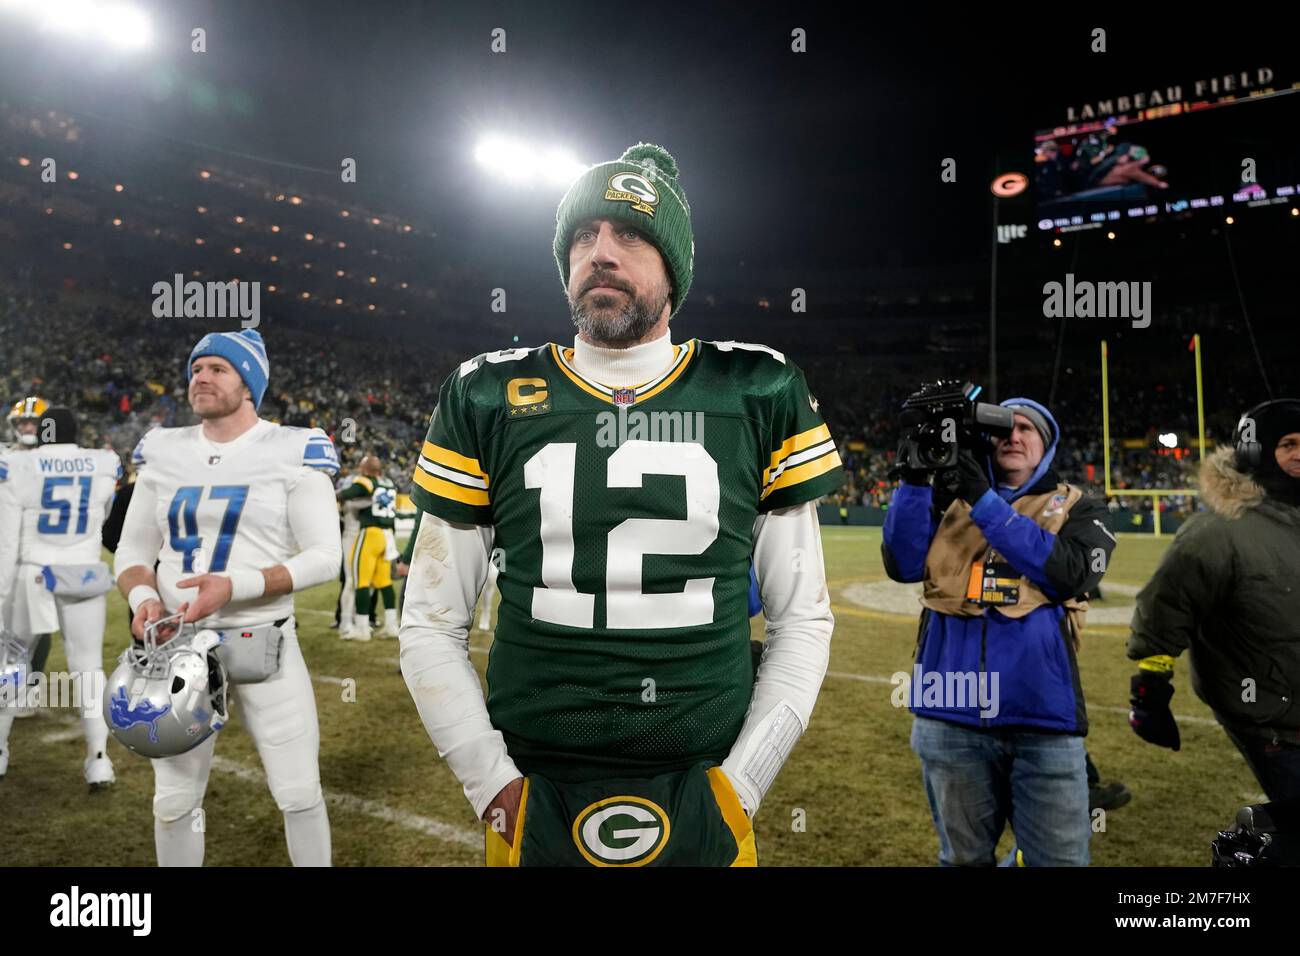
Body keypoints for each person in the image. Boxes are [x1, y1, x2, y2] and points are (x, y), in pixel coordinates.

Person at [400, 143, 842, 866]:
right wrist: (492, 785)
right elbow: (430, 620)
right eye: (582, 235)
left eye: (630, 234)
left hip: (705, 777)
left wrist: (744, 787)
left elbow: (802, 618)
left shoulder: (756, 388)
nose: (600, 251)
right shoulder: (486, 392)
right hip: (536, 782)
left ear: (675, 268)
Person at [113, 329, 342, 866]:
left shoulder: (292, 447)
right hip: (176, 646)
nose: (201, 377)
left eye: (218, 368)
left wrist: (233, 586)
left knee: (298, 791)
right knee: (173, 801)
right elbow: (131, 550)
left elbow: (323, 557)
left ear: (249, 384)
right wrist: (144, 597)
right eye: (196, 368)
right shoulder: (162, 449)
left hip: (263, 640)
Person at [882, 397, 1116, 866]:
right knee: (964, 860)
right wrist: (912, 479)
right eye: (1003, 427)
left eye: (1027, 428)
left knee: (1060, 860)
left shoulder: (1078, 504)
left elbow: (1069, 572)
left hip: (1042, 719)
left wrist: (984, 501)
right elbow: (902, 563)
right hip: (949, 712)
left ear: (1045, 447)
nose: (1013, 435)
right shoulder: (946, 499)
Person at [1128, 399, 1300, 801]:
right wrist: (1150, 689)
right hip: (1272, 719)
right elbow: (1166, 608)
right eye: (1288, 443)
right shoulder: (1218, 531)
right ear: (1255, 452)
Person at [0, 407, 120, 786]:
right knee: (88, 667)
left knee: (11, 662)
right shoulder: (102, 463)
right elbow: (102, 517)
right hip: (83, 572)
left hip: (32, 571)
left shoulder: (18, 465)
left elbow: (7, 539)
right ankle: (99, 760)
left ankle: (0, 751)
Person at [2, 397, 55, 720]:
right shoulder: (5, 458)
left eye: (33, 423)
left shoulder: (54, 461)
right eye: (22, 423)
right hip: (6, 547)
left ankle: (30, 685)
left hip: (40, 551)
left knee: (39, 623)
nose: (27, 428)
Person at [336, 454, 400, 640]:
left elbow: (344, 494)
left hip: (370, 534)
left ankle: (362, 629)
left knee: (361, 581)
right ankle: (391, 626)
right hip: (387, 535)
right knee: (385, 583)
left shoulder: (366, 481)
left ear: (364, 469)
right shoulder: (389, 484)